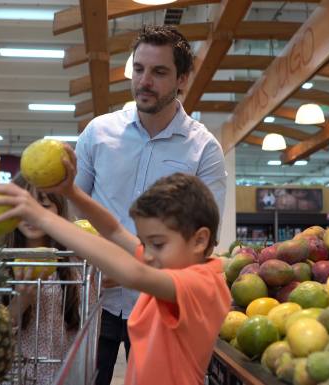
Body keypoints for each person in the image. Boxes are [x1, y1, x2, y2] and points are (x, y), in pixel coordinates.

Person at [0, 153, 231, 385]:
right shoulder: (166, 261)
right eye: (143, 243)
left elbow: (133, 273)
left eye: (156, 244)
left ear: (199, 240)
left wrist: (43, 217)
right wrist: (71, 192)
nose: (144, 254)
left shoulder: (201, 284)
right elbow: (114, 231)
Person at [75, 25, 227, 384]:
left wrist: (138, 271)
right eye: (139, 69)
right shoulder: (98, 133)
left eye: (159, 72)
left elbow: (204, 239)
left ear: (182, 80)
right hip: (96, 302)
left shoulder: (203, 149)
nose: (144, 81)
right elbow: (75, 210)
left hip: (162, 308)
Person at [4, 173, 81, 385]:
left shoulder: (73, 267)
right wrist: (20, 303)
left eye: (44, 206)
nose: (32, 216)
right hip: (14, 376)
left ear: (58, 210)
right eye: (24, 207)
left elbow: (82, 326)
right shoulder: (2, 266)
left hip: (62, 376)